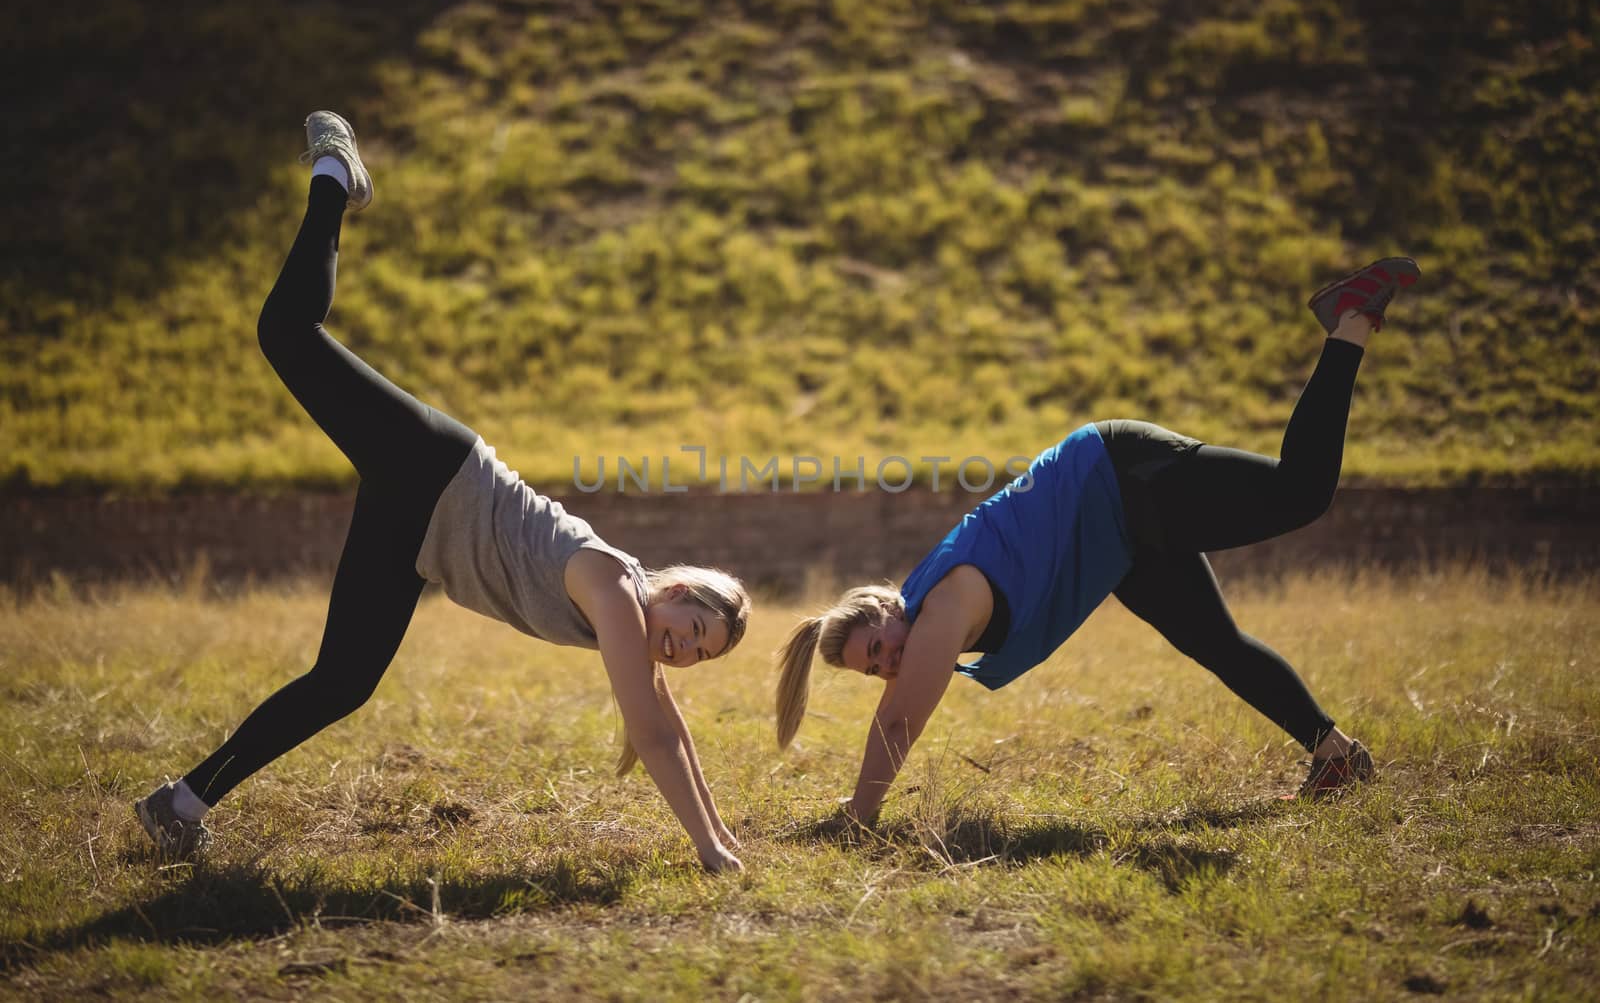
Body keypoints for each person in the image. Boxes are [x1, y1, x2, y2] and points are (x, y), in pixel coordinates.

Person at [135, 112, 749, 873]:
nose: (685, 649)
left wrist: (722, 836)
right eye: (695, 629)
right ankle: (335, 176)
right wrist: (705, 852)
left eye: (698, 654)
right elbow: (651, 732)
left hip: (421, 532)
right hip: (434, 468)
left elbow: (669, 722)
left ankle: (179, 806)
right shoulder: (616, 590)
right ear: (681, 589)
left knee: (342, 681)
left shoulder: (632, 618)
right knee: (287, 331)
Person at [776, 258, 1420, 825]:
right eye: (875, 669)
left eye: (880, 649)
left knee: (1299, 492)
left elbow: (896, 721)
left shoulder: (941, 607)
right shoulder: (923, 618)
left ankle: (1348, 321)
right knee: (1217, 643)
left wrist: (857, 815)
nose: (889, 667)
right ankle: (1336, 755)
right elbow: (896, 704)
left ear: (888, 609)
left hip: (1120, 477)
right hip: (1116, 542)